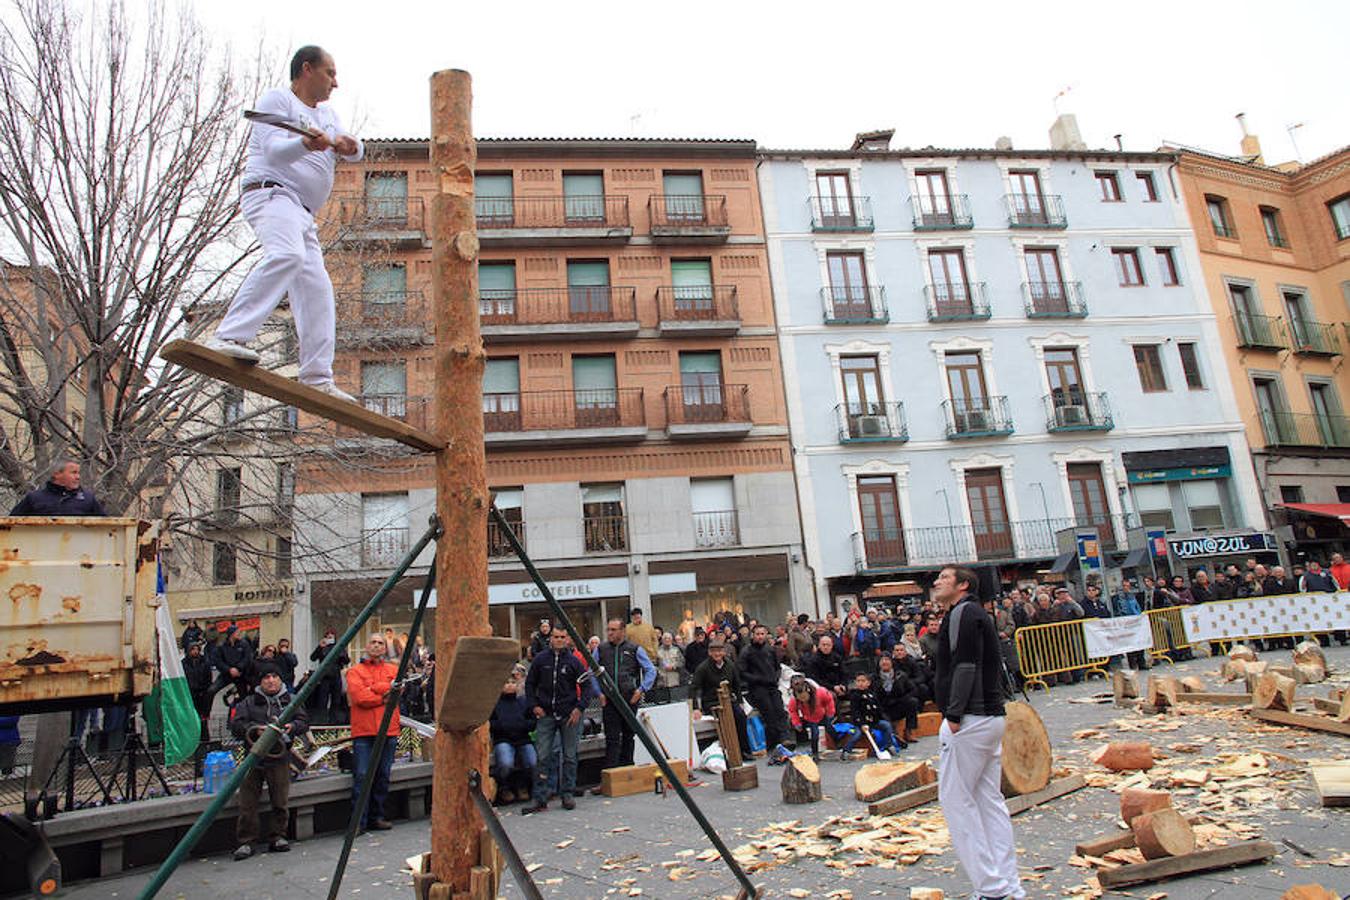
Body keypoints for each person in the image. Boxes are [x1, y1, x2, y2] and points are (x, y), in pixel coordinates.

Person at [205, 46, 362, 401]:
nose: (335, 83)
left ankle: (317, 375)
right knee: (287, 255)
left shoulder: (327, 114)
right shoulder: (278, 101)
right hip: (272, 194)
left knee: (318, 289)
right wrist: (306, 144)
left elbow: (354, 147)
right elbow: (274, 150)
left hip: (303, 213)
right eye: (329, 73)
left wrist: (350, 146)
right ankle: (228, 336)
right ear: (307, 70)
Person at [932, 565, 1023, 900]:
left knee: (957, 801)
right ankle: (1008, 885)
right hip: (988, 717)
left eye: (943, 578)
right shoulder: (974, 612)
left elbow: (965, 664)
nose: (936, 582)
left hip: (970, 718)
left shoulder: (962, 614)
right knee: (989, 802)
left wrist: (954, 714)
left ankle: (991, 888)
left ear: (962, 585)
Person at [230, 663, 308, 859]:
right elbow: (237, 726)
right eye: (266, 677)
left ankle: (278, 836)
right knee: (248, 802)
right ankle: (246, 841)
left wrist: (292, 726)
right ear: (260, 681)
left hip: (279, 757)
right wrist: (255, 729)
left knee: (280, 800)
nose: (271, 680)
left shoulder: (290, 700)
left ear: (280, 680)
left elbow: (303, 721)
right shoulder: (248, 702)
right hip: (254, 757)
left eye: (274, 676)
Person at [521, 629, 586, 814]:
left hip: (568, 715)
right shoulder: (540, 660)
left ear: (567, 640)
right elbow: (530, 684)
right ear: (550, 639)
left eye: (562, 637)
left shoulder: (574, 661)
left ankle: (567, 793)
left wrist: (579, 708)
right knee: (542, 756)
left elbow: (586, 685)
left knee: (570, 755)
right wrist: (534, 705)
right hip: (546, 714)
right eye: (556, 637)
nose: (559, 640)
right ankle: (540, 797)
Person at [593, 618, 656, 787]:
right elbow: (592, 672)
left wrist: (641, 690)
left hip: (629, 698)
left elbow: (650, 670)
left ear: (622, 631)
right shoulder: (601, 649)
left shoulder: (634, 649)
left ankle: (628, 773)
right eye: (608, 629)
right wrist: (599, 693)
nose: (610, 633)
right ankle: (610, 777)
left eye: (613, 629)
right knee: (612, 738)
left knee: (629, 736)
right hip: (610, 700)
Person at [346, 635, 399, 831]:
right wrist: (383, 695)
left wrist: (374, 689)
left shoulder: (393, 670)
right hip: (364, 731)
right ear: (366, 646)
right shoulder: (354, 671)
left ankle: (376, 817)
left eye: (380, 643)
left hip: (388, 730)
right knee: (362, 776)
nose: (376, 645)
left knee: (383, 775)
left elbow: (397, 693)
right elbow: (359, 697)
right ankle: (358, 822)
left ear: (385, 648)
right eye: (373, 642)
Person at [690, 638, 751, 756]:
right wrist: (695, 708)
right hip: (711, 702)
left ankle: (744, 750)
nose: (717, 654)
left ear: (724, 652)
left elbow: (737, 684)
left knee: (740, 716)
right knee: (725, 718)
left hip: (728, 700)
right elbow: (693, 688)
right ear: (709, 653)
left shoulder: (730, 665)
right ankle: (730, 751)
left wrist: (740, 702)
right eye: (714, 651)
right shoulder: (703, 668)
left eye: (719, 651)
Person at [488, 665, 535, 805]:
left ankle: (523, 785)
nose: (510, 686)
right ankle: (504, 786)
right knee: (506, 763)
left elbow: (532, 721)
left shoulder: (523, 702)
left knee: (532, 762)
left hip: (523, 738)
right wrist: (503, 726)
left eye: (512, 683)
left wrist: (523, 725)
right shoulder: (495, 704)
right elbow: (491, 724)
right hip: (503, 739)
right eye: (506, 683)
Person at [740, 624, 789, 753]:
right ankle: (774, 743)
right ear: (753, 635)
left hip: (772, 686)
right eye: (758, 634)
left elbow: (778, 667)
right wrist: (758, 679)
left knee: (780, 711)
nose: (760, 637)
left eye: (762, 634)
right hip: (757, 688)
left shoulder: (770, 649)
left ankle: (785, 739)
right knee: (769, 714)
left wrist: (776, 677)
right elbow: (742, 672)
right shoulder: (747, 651)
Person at [9, 458, 108, 515]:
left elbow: (105, 528)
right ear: (57, 474)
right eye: (73, 473)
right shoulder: (34, 498)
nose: (78, 477)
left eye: (78, 473)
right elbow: (11, 525)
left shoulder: (88, 499)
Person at [847, 671, 903, 756]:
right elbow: (855, 712)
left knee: (886, 725)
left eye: (863, 681)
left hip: (873, 722)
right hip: (860, 723)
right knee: (856, 735)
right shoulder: (855, 696)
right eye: (858, 681)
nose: (860, 683)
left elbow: (878, 708)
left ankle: (889, 745)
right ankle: (846, 750)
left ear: (868, 683)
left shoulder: (872, 694)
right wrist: (862, 724)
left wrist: (883, 718)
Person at [787, 674, 837, 759]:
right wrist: (796, 723)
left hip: (823, 714)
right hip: (810, 718)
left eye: (804, 697)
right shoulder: (794, 700)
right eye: (800, 698)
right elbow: (793, 711)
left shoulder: (820, 692)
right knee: (815, 734)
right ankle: (815, 753)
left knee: (830, 729)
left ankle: (838, 744)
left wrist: (830, 713)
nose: (803, 700)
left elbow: (829, 700)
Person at [876, 653, 921, 744]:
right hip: (882, 708)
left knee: (912, 702)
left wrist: (903, 699)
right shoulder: (874, 678)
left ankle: (909, 731)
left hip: (897, 705)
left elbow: (913, 690)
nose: (885, 662)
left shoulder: (901, 675)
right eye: (882, 660)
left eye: (887, 660)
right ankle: (894, 735)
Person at [308, 629, 349, 724]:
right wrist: (320, 647)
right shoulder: (323, 647)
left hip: (336, 676)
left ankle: (335, 721)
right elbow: (313, 658)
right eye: (328, 636)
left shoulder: (339, 647)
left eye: (332, 637)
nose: (330, 638)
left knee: (336, 700)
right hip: (324, 677)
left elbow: (346, 660)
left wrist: (341, 652)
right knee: (322, 700)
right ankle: (321, 721)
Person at [210, 626, 255, 701]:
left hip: (241, 674)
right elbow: (218, 661)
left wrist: (238, 668)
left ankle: (244, 710)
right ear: (231, 634)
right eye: (237, 632)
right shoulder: (222, 646)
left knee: (244, 695)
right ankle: (205, 712)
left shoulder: (244, 644)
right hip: (226, 674)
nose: (239, 634)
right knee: (211, 690)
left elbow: (247, 658)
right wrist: (229, 669)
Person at [182, 642, 215, 742]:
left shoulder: (205, 662)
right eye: (193, 649)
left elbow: (208, 678)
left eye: (197, 649)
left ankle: (204, 740)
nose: (195, 651)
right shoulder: (184, 663)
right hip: (190, 693)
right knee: (191, 718)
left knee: (203, 719)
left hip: (202, 693)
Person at [654, 631, 684, 703]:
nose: (667, 640)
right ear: (662, 640)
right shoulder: (657, 651)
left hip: (674, 680)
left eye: (669, 638)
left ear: (672, 640)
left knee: (675, 702)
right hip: (662, 682)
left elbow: (682, 662)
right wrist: (658, 671)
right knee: (664, 703)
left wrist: (674, 667)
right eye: (665, 638)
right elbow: (654, 664)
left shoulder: (676, 650)